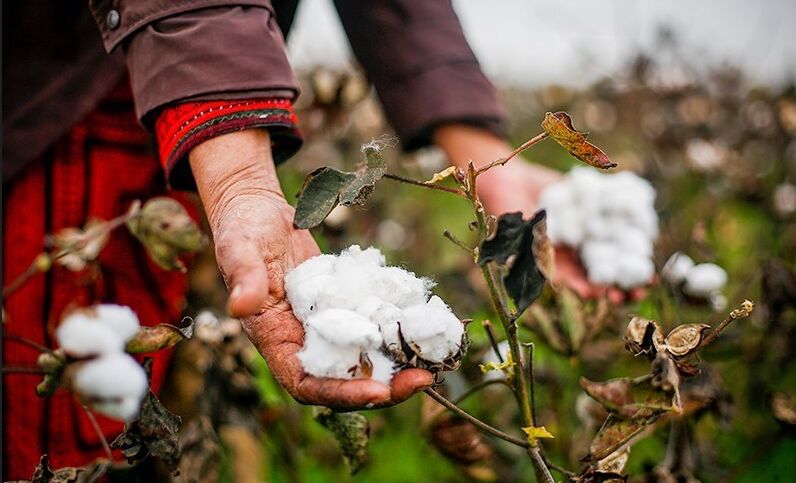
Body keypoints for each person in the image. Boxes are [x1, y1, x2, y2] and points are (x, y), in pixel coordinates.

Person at [2, 1, 595, 477]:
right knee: (58, 429)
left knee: (139, 408)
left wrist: (484, 155)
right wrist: (237, 174)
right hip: (61, 108)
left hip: (180, 112)